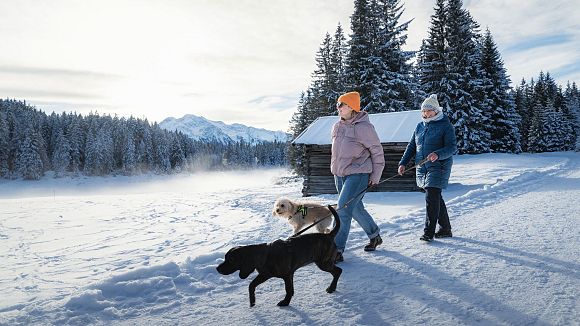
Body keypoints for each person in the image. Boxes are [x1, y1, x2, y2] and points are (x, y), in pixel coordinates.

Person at [331, 91, 385, 262]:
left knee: (342, 210)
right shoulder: (337, 126)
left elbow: (377, 152)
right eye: (337, 104)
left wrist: (376, 176)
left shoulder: (364, 128)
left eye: (341, 104)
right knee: (354, 208)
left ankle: (335, 250)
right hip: (340, 174)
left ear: (352, 107)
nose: (338, 108)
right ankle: (374, 235)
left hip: (359, 173)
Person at [398, 94, 457, 242]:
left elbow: (452, 147)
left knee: (431, 195)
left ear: (436, 111)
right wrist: (403, 163)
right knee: (435, 196)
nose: (426, 113)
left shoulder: (445, 125)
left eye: (429, 110)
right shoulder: (419, 126)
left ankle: (428, 232)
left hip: (439, 165)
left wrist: (438, 154)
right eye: (423, 110)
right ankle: (445, 229)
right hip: (423, 166)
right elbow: (412, 146)